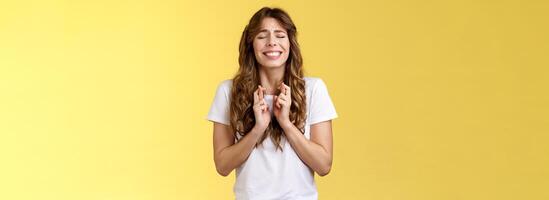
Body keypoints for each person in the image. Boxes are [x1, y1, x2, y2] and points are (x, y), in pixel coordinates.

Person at [207, 7, 338, 200]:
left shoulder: (313, 89)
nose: (272, 42)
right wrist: (258, 129)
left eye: (280, 35)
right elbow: (222, 166)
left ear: (290, 43)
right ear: (251, 43)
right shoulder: (228, 92)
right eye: (262, 36)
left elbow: (324, 165)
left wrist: (286, 123)